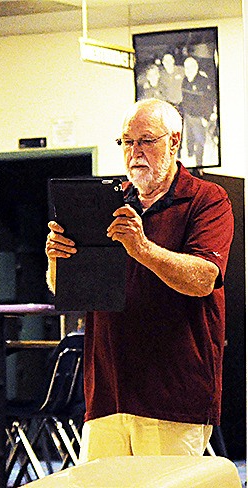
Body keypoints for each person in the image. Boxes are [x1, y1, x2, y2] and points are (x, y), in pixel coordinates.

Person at [45, 98, 233, 462]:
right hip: (106, 393)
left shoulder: (206, 200)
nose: (135, 152)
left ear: (174, 141)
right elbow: (67, 289)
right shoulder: (108, 199)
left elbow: (204, 279)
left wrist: (143, 248)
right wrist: (57, 259)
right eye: (127, 142)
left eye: (146, 140)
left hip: (174, 392)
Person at [181, 56, 216, 167]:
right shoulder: (185, 80)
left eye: (191, 67)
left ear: (196, 67)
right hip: (188, 115)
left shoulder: (203, 81)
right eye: (186, 67)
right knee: (189, 136)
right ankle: (190, 153)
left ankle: (199, 165)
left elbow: (209, 101)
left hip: (199, 117)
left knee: (200, 141)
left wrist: (206, 117)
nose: (189, 70)